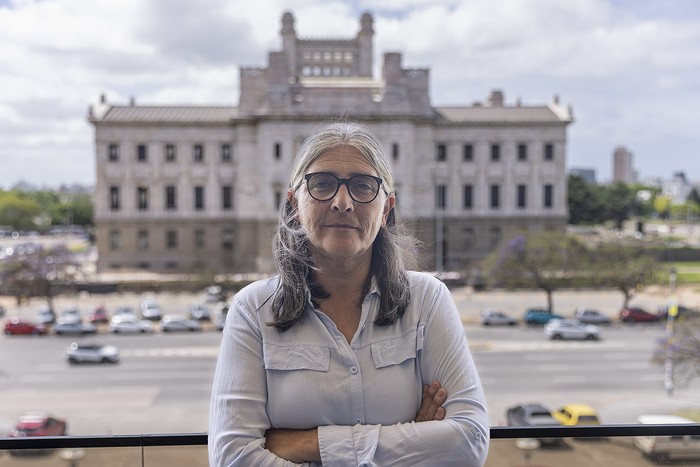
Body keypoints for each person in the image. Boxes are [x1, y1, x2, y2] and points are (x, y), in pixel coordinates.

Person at [209, 122, 489, 466]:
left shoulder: (427, 299)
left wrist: (307, 445)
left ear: (385, 210)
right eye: (323, 184)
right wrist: (413, 437)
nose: (343, 202)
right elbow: (232, 458)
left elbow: (469, 441)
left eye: (362, 186)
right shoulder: (253, 309)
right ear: (296, 205)